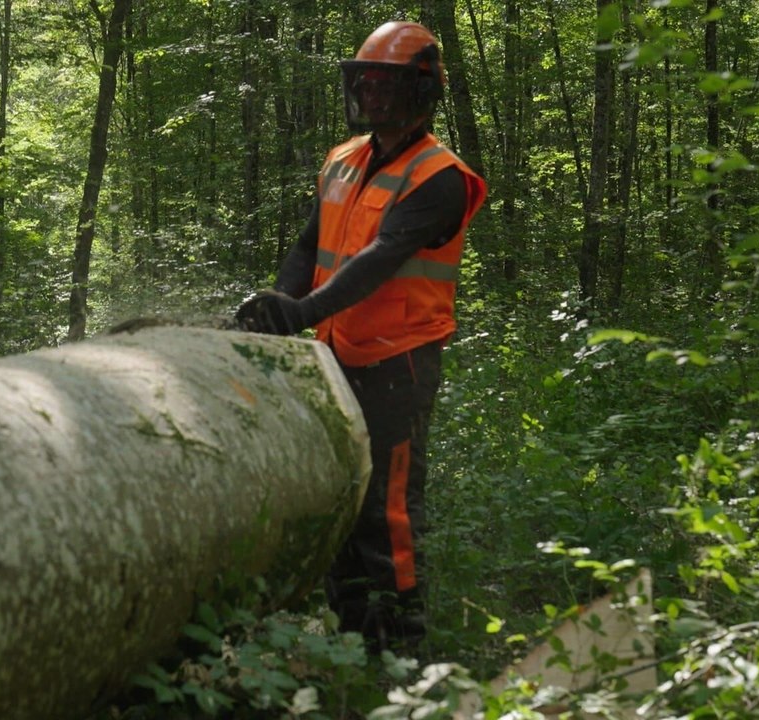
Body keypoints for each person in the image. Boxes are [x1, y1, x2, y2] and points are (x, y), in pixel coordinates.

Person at [235, 20, 487, 655]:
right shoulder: (342, 160)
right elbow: (308, 244)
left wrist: (302, 311)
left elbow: (382, 257)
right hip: (332, 353)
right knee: (336, 497)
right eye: (366, 82)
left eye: (388, 84)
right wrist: (283, 309)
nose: (374, 94)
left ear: (421, 91)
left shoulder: (440, 177)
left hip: (397, 364)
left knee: (387, 509)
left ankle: (402, 650)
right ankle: (351, 635)